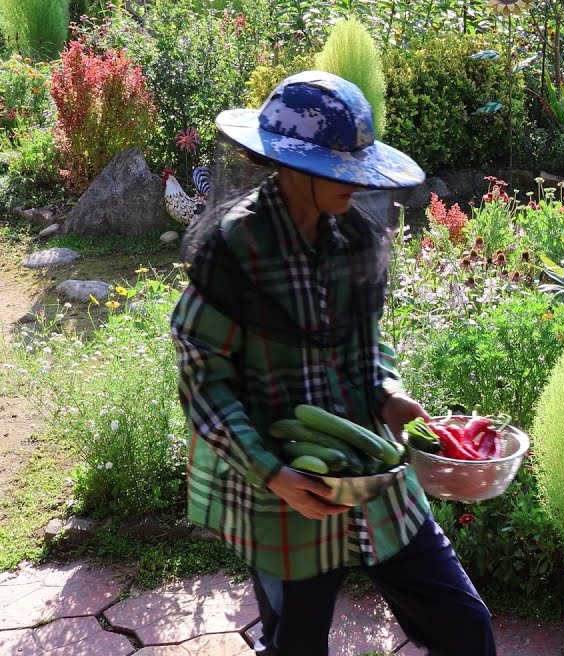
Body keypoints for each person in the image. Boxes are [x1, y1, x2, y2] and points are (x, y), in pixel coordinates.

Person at [171, 71, 496, 656]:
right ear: (292, 165)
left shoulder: (356, 236)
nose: (356, 181)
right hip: (284, 483)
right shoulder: (236, 248)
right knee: (295, 646)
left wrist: (388, 395)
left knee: (465, 627)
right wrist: (273, 473)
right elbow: (203, 380)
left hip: (369, 465)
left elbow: (368, 343)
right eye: (338, 168)